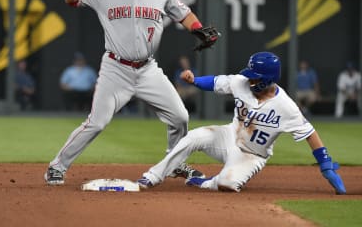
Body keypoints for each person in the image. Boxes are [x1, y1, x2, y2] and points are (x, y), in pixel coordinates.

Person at [44, 0, 219, 185]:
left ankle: (174, 164)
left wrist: (197, 29)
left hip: (148, 70)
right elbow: (71, 0)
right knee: (96, 123)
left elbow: (184, 14)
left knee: (179, 116)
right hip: (116, 69)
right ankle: (57, 166)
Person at [137, 52, 346, 195]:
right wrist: (195, 81)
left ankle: (208, 182)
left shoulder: (287, 107)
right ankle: (153, 176)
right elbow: (216, 82)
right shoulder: (241, 82)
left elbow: (310, 133)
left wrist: (326, 165)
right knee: (193, 136)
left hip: (252, 154)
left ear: (268, 78)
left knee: (227, 184)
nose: (250, 80)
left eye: (255, 77)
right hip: (229, 136)